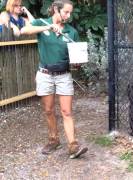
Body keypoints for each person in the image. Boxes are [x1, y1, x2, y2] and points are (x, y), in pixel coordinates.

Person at [20, 0, 88, 159]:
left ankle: (73, 145)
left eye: (70, 13)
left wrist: (77, 63)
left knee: (66, 111)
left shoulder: (71, 32)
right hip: (45, 75)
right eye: (66, 12)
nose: (68, 16)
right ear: (56, 10)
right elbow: (24, 29)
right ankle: (54, 140)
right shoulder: (42, 23)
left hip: (64, 75)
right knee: (49, 110)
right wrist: (48, 27)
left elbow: (76, 56)